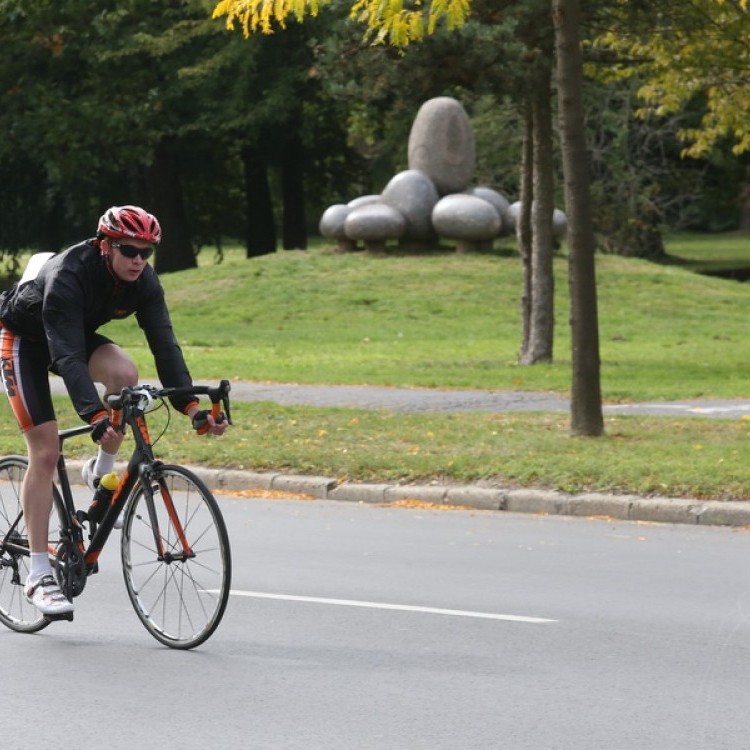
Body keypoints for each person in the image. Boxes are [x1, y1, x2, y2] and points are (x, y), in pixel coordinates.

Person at [0, 205, 228, 617]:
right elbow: (67, 358)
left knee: (125, 373)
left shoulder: (143, 280)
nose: (138, 259)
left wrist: (191, 406)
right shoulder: (71, 272)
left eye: (147, 251)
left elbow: (165, 344)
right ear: (105, 245)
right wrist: (94, 415)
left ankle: (100, 471)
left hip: (70, 334)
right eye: (128, 249)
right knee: (46, 453)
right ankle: (37, 573)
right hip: (23, 340)